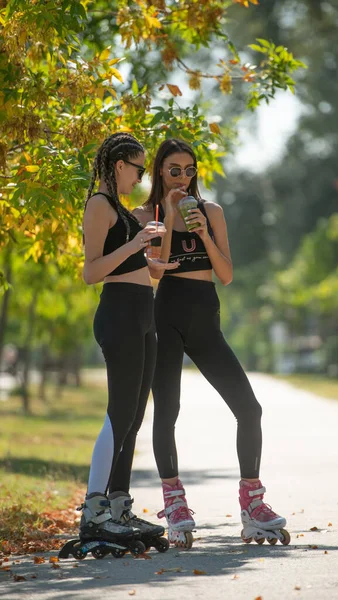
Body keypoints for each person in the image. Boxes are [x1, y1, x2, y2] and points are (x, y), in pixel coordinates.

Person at [134, 138, 289, 549]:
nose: (182, 177)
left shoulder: (212, 211)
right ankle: (175, 503)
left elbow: (226, 274)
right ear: (159, 172)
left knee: (249, 409)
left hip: (206, 318)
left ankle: (252, 503)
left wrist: (202, 234)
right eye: (174, 170)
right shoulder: (144, 215)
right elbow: (155, 274)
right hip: (165, 316)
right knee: (167, 410)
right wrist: (166, 217)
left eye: (189, 170)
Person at [79, 132, 178, 551]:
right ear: (119, 165)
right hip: (118, 312)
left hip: (143, 309)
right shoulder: (99, 205)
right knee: (119, 412)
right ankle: (93, 510)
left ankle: (118, 504)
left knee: (135, 414)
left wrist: (152, 259)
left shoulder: (120, 208)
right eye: (138, 169)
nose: (139, 178)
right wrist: (136, 243)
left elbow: (145, 272)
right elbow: (92, 271)